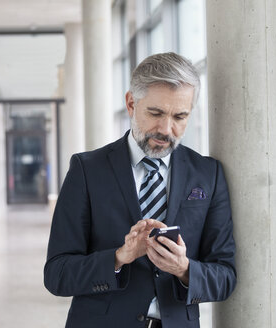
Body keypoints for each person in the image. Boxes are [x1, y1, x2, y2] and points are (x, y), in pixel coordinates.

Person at [44, 52, 236, 328]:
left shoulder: (209, 174)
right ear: (131, 103)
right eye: (155, 113)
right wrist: (119, 257)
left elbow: (226, 276)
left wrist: (184, 269)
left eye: (180, 116)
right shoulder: (87, 170)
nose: (166, 129)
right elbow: (57, 274)